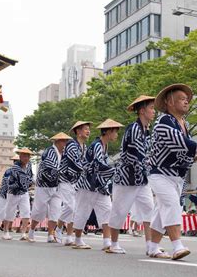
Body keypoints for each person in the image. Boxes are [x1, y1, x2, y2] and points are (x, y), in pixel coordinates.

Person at [147, 84, 197, 260]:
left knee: (162, 212)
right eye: (181, 99)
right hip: (159, 172)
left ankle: (153, 247)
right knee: (171, 205)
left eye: (186, 100)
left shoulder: (185, 123)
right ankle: (177, 246)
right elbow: (179, 142)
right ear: (169, 102)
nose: (186, 102)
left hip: (177, 176)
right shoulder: (163, 122)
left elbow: (186, 147)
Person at [107, 95, 156, 255]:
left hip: (141, 178)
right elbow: (138, 155)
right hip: (126, 178)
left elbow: (148, 153)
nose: (154, 111)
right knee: (119, 211)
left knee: (149, 208)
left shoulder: (147, 129)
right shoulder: (133, 128)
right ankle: (113, 244)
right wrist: (153, 165)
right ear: (142, 111)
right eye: (151, 108)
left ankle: (150, 245)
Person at [73, 119, 123, 250]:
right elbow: (98, 164)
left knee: (107, 211)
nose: (117, 135)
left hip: (100, 186)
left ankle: (107, 242)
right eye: (115, 132)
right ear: (108, 132)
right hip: (87, 184)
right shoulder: (97, 145)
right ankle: (77, 240)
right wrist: (114, 170)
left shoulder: (104, 145)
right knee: (82, 211)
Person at [28, 133, 71, 243]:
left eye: (66, 141)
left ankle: (50, 235)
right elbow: (51, 168)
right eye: (63, 141)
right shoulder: (49, 152)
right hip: (44, 186)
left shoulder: (64, 154)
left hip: (57, 186)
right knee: (39, 210)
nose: (65, 144)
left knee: (55, 210)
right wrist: (64, 173)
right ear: (56, 141)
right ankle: (31, 230)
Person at [55, 121, 92, 246]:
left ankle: (69, 236)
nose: (88, 131)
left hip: (76, 181)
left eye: (88, 129)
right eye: (85, 129)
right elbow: (75, 163)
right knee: (70, 206)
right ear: (78, 131)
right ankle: (59, 227)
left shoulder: (84, 147)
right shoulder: (71, 145)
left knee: (74, 208)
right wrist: (88, 169)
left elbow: (84, 164)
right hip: (65, 179)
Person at [1, 148, 34, 241]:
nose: (26, 158)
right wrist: (30, 182)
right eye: (24, 156)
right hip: (13, 192)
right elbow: (22, 180)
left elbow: (30, 176)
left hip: (24, 192)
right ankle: (6, 231)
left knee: (26, 211)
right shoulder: (15, 167)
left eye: (28, 156)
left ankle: (23, 233)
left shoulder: (29, 165)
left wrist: (31, 182)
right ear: (20, 156)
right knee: (10, 212)